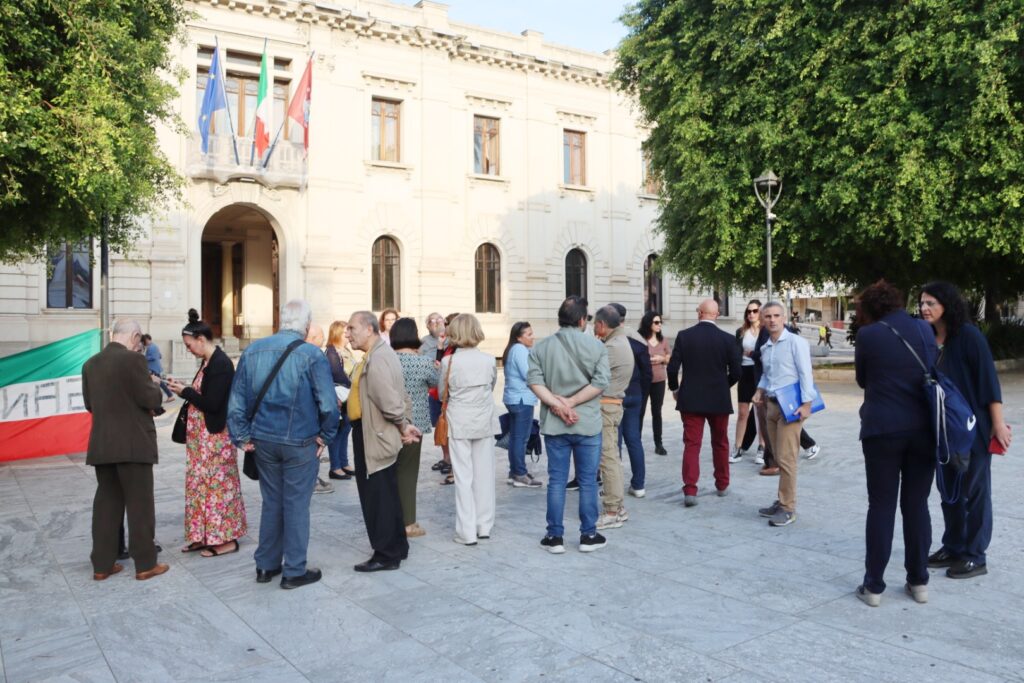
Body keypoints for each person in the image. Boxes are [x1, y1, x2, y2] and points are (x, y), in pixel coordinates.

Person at [227, 299, 339, 589]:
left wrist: (241, 436)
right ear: (305, 324)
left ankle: (265, 565)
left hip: (263, 439)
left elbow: (237, 400)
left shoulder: (252, 350)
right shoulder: (311, 355)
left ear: (281, 320)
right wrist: (325, 436)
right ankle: (294, 570)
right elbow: (328, 403)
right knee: (296, 505)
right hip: (300, 440)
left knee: (272, 502)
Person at [852, 281, 938, 606]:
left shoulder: (868, 335)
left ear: (871, 308)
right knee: (917, 504)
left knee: (882, 505)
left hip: (882, 429)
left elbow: (862, 379)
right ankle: (919, 582)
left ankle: (873, 586)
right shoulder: (924, 330)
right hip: (923, 429)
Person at [920, 281, 1011, 580]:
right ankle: (953, 545)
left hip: (973, 429)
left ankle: (975, 555)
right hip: (942, 432)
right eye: (922, 303)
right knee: (950, 492)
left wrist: (998, 424)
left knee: (975, 492)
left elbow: (988, 383)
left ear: (947, 304)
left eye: (931, 303)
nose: (924, 308)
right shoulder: (927, 338)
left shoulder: (969, 337)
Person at [82, 318, 169, 581]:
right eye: (139, 341)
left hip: (102, 445)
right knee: (139, 505)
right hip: (133, 444)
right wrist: (154, 384)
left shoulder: (91, 364)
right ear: (134, 336)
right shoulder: (133, 361)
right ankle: (145, 564)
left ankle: (102, 564)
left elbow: (89, 404)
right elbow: (150, 398)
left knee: (106, 504)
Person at [528, 296, 611, 554]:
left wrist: (558, 405)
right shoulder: (597, 347)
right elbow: (601, 382)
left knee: (556, 480)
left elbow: (534, 382)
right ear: (582, 320)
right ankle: (588, 535)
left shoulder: (541, 348)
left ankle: (554, 537)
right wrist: (573, 402)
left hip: (555, 424)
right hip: (587, 423)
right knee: (587, 481)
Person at [166, 309, 246, 558]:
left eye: (189, 345)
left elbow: (212, 403)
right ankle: (202, 535)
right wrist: (185, 389)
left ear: (201, 340)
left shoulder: (221, 364)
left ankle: (226, 539)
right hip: (202, 442)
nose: (188, 349)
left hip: (215, 440)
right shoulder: (208, 362)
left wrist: (185, 392)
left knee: (217, 489)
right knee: (200, 488)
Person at [346, 310, 422, 571]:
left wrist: (403, 424)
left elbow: (388, 400)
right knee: (386, 492)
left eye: (352, 328)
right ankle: (397, 547)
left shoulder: (378, 358)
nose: (348, 334)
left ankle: (386, 555)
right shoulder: (379, 353)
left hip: (373, 434)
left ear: (369, 329)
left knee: (377, 495)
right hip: (374, 431)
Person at [667, 299, 742, 507]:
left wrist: (675, 389)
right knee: (720, 442)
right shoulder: (728, 340)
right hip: (718, 399)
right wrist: (723, 385)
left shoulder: (684, 336)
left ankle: (690, 489)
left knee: (692, 444)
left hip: (690, 398)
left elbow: (672, 369)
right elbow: (737, 372)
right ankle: (722, 484)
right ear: (717, 314)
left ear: (699, 313)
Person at [752, 301, 816, 527]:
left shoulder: (796, 342)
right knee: (778, 457)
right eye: (767, 316)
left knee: (787, 459)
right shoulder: (766, 346)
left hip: (791, 407)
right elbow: (767, 375)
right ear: (762, 319)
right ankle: (782, 500)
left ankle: (788, 508)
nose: (772, 319)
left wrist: (807, 405)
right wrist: (759, 390)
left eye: (776, 315)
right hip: (770, 405)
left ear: (784, 317)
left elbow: (805, 373)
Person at [440, 314, 501, 545]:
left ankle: (466, 531)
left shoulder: (449, 362)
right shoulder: (488, 360)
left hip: (459, 421)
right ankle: (484, 525)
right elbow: (492, 384)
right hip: (483, 419)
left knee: (463, 477)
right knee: (484, 475)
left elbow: (442, 390)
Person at [390, 317, 438, 538]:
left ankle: (390, 518)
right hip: (414, 424)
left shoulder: (387, 360)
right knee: (408, 473)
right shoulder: (424, 362)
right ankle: (408, 522)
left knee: (388, 472)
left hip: (388, 422)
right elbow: (436, 383)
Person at [592, 306, 633, 530]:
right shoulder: (620, 341)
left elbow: (591, 374)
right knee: (611, 458)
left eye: (594, 324)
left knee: (607, 459)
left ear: (602, 325)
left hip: (606, 406)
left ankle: (612, 510)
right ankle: (617, 507)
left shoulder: (612, 347)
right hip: (613, 405)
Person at [609, 303, 652, 499]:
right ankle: (638, 484)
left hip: (616, 395)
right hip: (635, 394)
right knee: (633, 439)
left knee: (614, 441)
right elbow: (647, 373)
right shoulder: (639, 342)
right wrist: (641, 393)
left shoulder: (610, 343)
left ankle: (613, 485)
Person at [502, 321, 542, 487]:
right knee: (521, 438)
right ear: (519, 337)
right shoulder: (519, 349)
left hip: (516, 399)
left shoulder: (516, 349)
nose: (533, 337)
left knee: (516, 438)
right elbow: (529, 374)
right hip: (521, 399)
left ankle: (515, 471)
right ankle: (520, 473)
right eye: (529, 334)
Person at [305, 323, 335, 494]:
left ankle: (313, 479)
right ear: (313, 338)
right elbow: (327, 402)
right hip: (308, 424)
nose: (323, 343)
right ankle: (312, 481)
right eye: (321, 339)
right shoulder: (315, 357)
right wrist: (326, 435)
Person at [325, 320, 355, 481]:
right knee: (337, 432)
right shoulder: (331, 352)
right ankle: (335, 466)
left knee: (345, 429)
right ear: (337, 334)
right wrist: (354, 385)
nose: (349, 335)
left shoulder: (345, 351)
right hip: (339, 396)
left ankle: (344, 462)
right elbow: (337, 374)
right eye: (345, 332)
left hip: (348, 395)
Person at [733, 300, 762, 462]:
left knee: (759, 413)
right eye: (748, 311)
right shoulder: (740, 332)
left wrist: (751, 354)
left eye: (755, 311)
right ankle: (737, 447)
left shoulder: (764, 331)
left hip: (758, 374)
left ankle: (762, 448)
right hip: (744, 373)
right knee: (743, 413)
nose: (751, 314)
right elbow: (736, 352)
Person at [639, 311, 670, 456]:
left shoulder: (663, 340)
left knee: (656, 412)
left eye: (660, 322)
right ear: (649, 324)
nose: (659, 325)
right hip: (643, 380)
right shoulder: (640, 339)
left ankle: (659, 444)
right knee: (640, 412)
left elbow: (670, 356)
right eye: (656, 322)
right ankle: (636, 442)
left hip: (659, 380)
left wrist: (662, 359)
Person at [142, 334, 174, 402]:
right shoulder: (155, 346)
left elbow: (153, 357)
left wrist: (143, 358)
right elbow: (160, 356)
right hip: (156, 367)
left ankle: (169, 396)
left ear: (147, 340)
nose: (144, 343)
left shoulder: (151, 347)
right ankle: (170, 395)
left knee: (157, 383)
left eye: (144, 341)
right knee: (160, 383)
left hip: (153, 368)